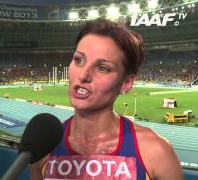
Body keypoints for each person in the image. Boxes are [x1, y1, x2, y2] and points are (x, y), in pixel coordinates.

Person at [29, 19, 182, 180]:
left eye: (102, 68)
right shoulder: (44, 149)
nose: (83, 75)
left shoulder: (156, 152)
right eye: (79, 60)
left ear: (126, 83)